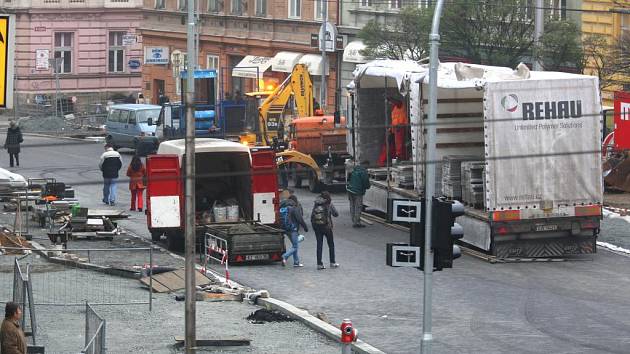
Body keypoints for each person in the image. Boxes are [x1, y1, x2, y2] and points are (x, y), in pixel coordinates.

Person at [311, 191, 339, 270]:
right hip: (327, 227)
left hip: (317, 227)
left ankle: (319, 264)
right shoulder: (329, 204)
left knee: (319, 245)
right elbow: (336, 214)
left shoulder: (316, 203)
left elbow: (312, 215)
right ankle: (332, 262)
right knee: (331, 244)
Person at [280, 195, 308, 267]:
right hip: (293, 229)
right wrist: (305, 227)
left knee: (294, 245)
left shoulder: (283, 206)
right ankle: (285, 256)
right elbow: (300, 219)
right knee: (295, 246)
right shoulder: (294, 207)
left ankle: (296, 262)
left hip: (285, 229)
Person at [347, 160, 371, 228]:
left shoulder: (354, 168)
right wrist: (368, 186)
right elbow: (366, 183)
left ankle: (353, 220)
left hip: (350, 190)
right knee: (358, 206)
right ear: (366, 165)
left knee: (352, 205)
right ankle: (356, 222)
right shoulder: (363, 172)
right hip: (357, 191)